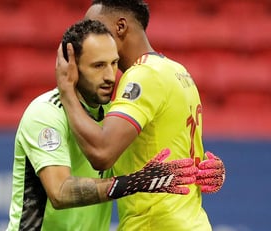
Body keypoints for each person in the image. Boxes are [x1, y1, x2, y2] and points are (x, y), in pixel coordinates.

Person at [6, 19, 198, 231]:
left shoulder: (111, 116)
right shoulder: (46, 113)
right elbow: (60, 192)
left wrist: (200, 170)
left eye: (113, 63)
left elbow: (151, 163)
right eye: (98, 66)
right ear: (71, 66)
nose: (110, 76)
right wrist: (132, 183)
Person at [55, 0, 226, 230]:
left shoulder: (143, 76)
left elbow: (102, 152)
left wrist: (66, 92)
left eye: (95, 28)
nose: (88, 38)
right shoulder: (177, 71)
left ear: (121, 27)